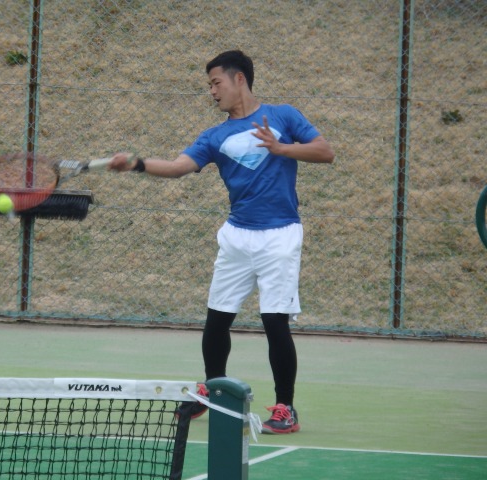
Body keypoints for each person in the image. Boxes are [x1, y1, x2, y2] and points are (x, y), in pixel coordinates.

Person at [109, 50, 334, 434]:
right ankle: (212, 391)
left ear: (239, 79)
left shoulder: (283, 116)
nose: (212, 92)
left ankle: (285, 408)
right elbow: (178, 167)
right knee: (217, 318)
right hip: (236, 236)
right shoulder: (214, 136)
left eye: (216, 83)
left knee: (275, 321)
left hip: (280, 234)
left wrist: (281, 148)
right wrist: (138, 164)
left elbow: (325, 152)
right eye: (210, 85)